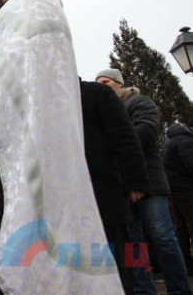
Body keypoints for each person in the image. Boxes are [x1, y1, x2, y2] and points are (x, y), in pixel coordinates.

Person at [0, 0, 122, 293]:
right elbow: (4, 81)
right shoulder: (21, 17)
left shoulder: (28, 15)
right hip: (17, 151)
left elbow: (7, 82)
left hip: (32, 155)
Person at [96, 68, 192, 294]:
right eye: (98, 82)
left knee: (163, 238)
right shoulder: (103, 112)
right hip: (122, 186)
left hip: (150, 183)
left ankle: (179, 289)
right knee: (133, 244)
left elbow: (147, 130)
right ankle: (144, 290)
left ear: (120, 83)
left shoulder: (139, 102)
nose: (101, 86)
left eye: (106, 82)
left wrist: (112, 145)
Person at [80, 79, 150, 294]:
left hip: (105, 193)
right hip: (70, 201)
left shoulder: (97, 94)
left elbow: (125, 138)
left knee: (119, 256)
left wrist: (135, 182)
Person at [163, 118, 193, 275]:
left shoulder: (171, 139)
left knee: (180, 228)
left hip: (173, 191)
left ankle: (186, 265)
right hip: (187, 191)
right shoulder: (186, 141)